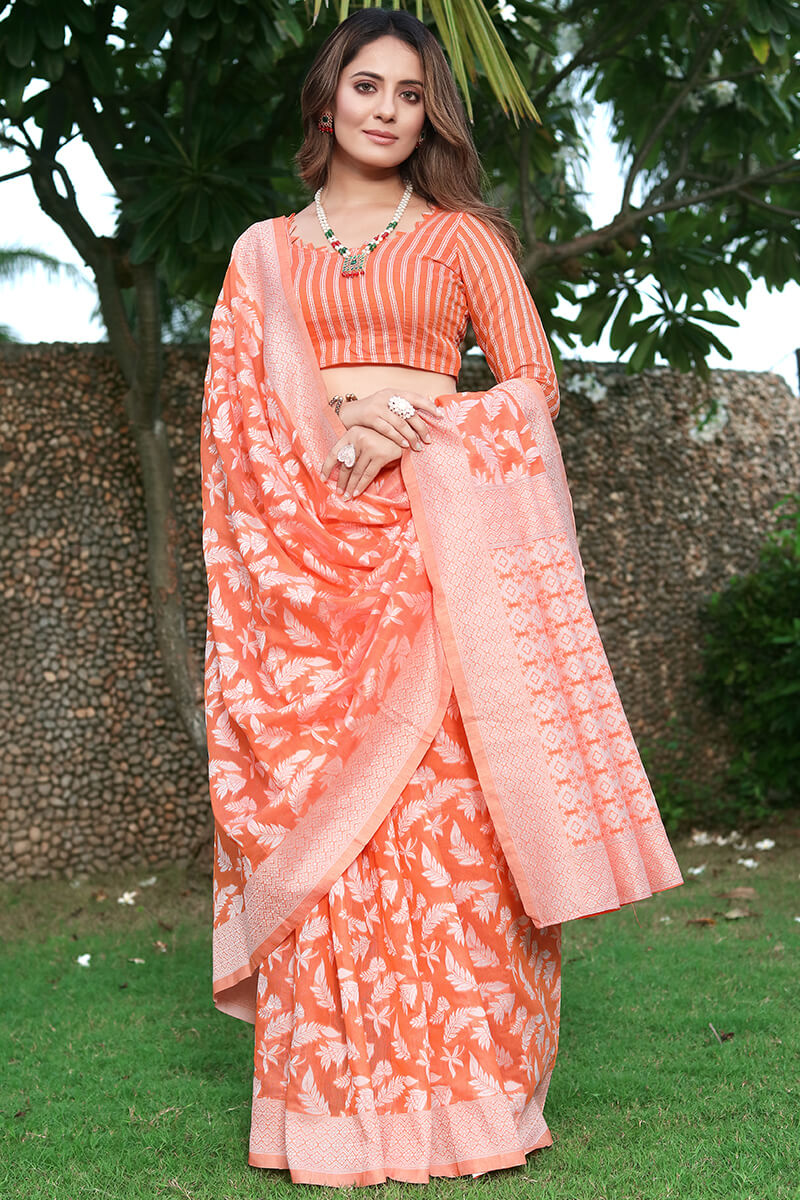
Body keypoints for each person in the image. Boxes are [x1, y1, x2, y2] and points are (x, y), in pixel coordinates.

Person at [199, 8, 684, 1188]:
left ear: (429, 117)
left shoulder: (461, 240)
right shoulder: (262, 249)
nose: (383, 108)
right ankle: (326, 1121)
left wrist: (410, 428)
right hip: (309, 579)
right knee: (336, 851)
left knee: (453, 837)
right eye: (364, 85)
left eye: (407, 94)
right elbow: (233, 421)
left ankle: (469, 1109)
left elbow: (529, 386)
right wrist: (330, 432)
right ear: (326, 102)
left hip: (437, 557)